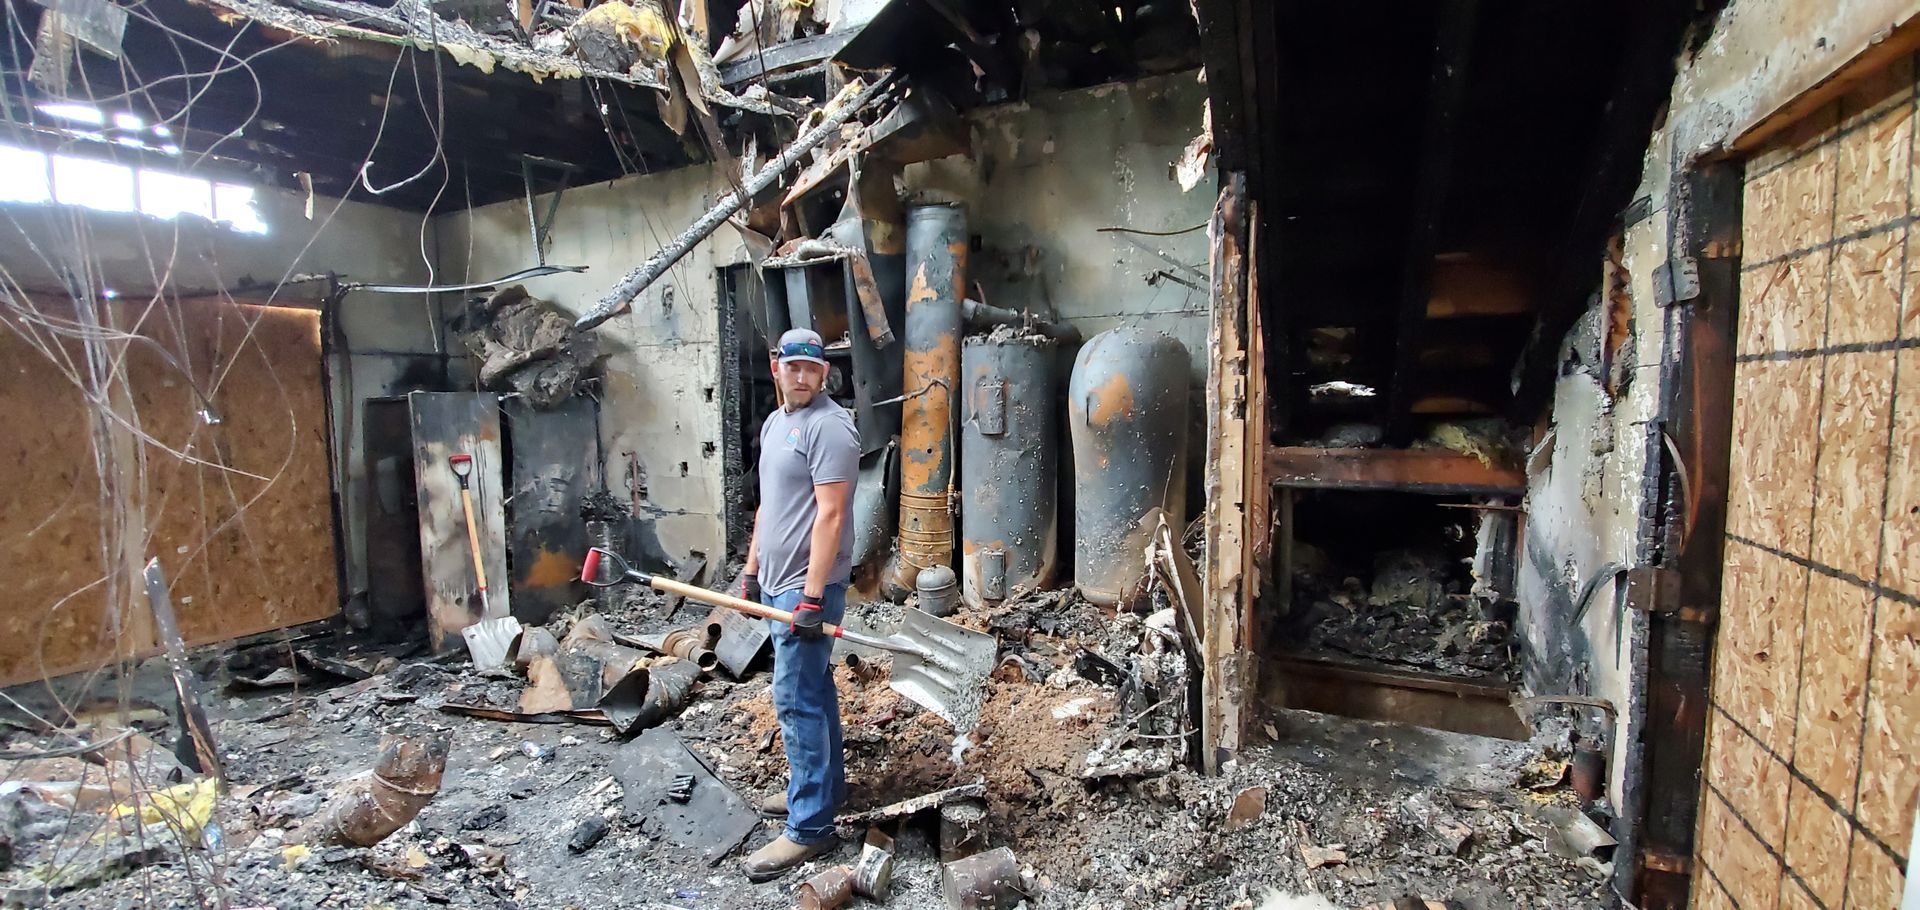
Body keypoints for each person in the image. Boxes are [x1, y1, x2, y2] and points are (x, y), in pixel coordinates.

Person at [738, 328, 860, 881]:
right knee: (813, 690)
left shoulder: (830, 428)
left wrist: (812, 597)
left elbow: (831, 516)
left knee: (794, 701)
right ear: (777, 367)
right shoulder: (776, 422)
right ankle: (825, 790)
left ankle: (810, 826)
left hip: (808, 590)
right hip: (776, 579)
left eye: (815, 369)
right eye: (795, 367)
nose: (804, 376)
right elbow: (770, 501)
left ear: (825, 374)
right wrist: (750, 567)